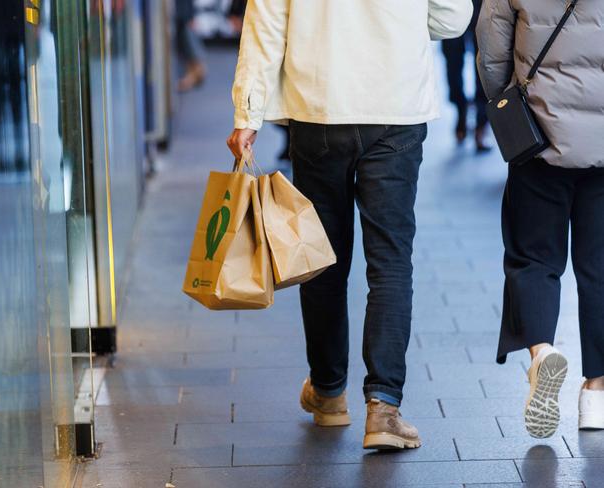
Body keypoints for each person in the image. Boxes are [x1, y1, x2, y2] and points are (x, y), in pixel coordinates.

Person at [227, 0, 472, 450]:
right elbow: (455, 17)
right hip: (395, 108)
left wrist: (248, 113)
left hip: (318, 106)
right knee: (391, 262)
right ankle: (383, 407)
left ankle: (327, 393)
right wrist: (399, 29)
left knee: (320, 258)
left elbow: (266, 21)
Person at [477, 0, 604, 438]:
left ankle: (540, 354)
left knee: (533, 259)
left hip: (538, 140)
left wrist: (508, 107)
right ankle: (596, 396)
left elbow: (492, 51)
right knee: (600, 269)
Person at [441, 0, 491, 151]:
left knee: (483, 62)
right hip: (451, 6)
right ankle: (460, 110)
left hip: (482, 5)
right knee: (453, 63)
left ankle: (481, 123)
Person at [175, 0, 207, 92]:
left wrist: (189, 16)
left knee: (189, 44)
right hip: (183, 17)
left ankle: (190, 78)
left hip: (183, 18)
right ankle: (191, 77)